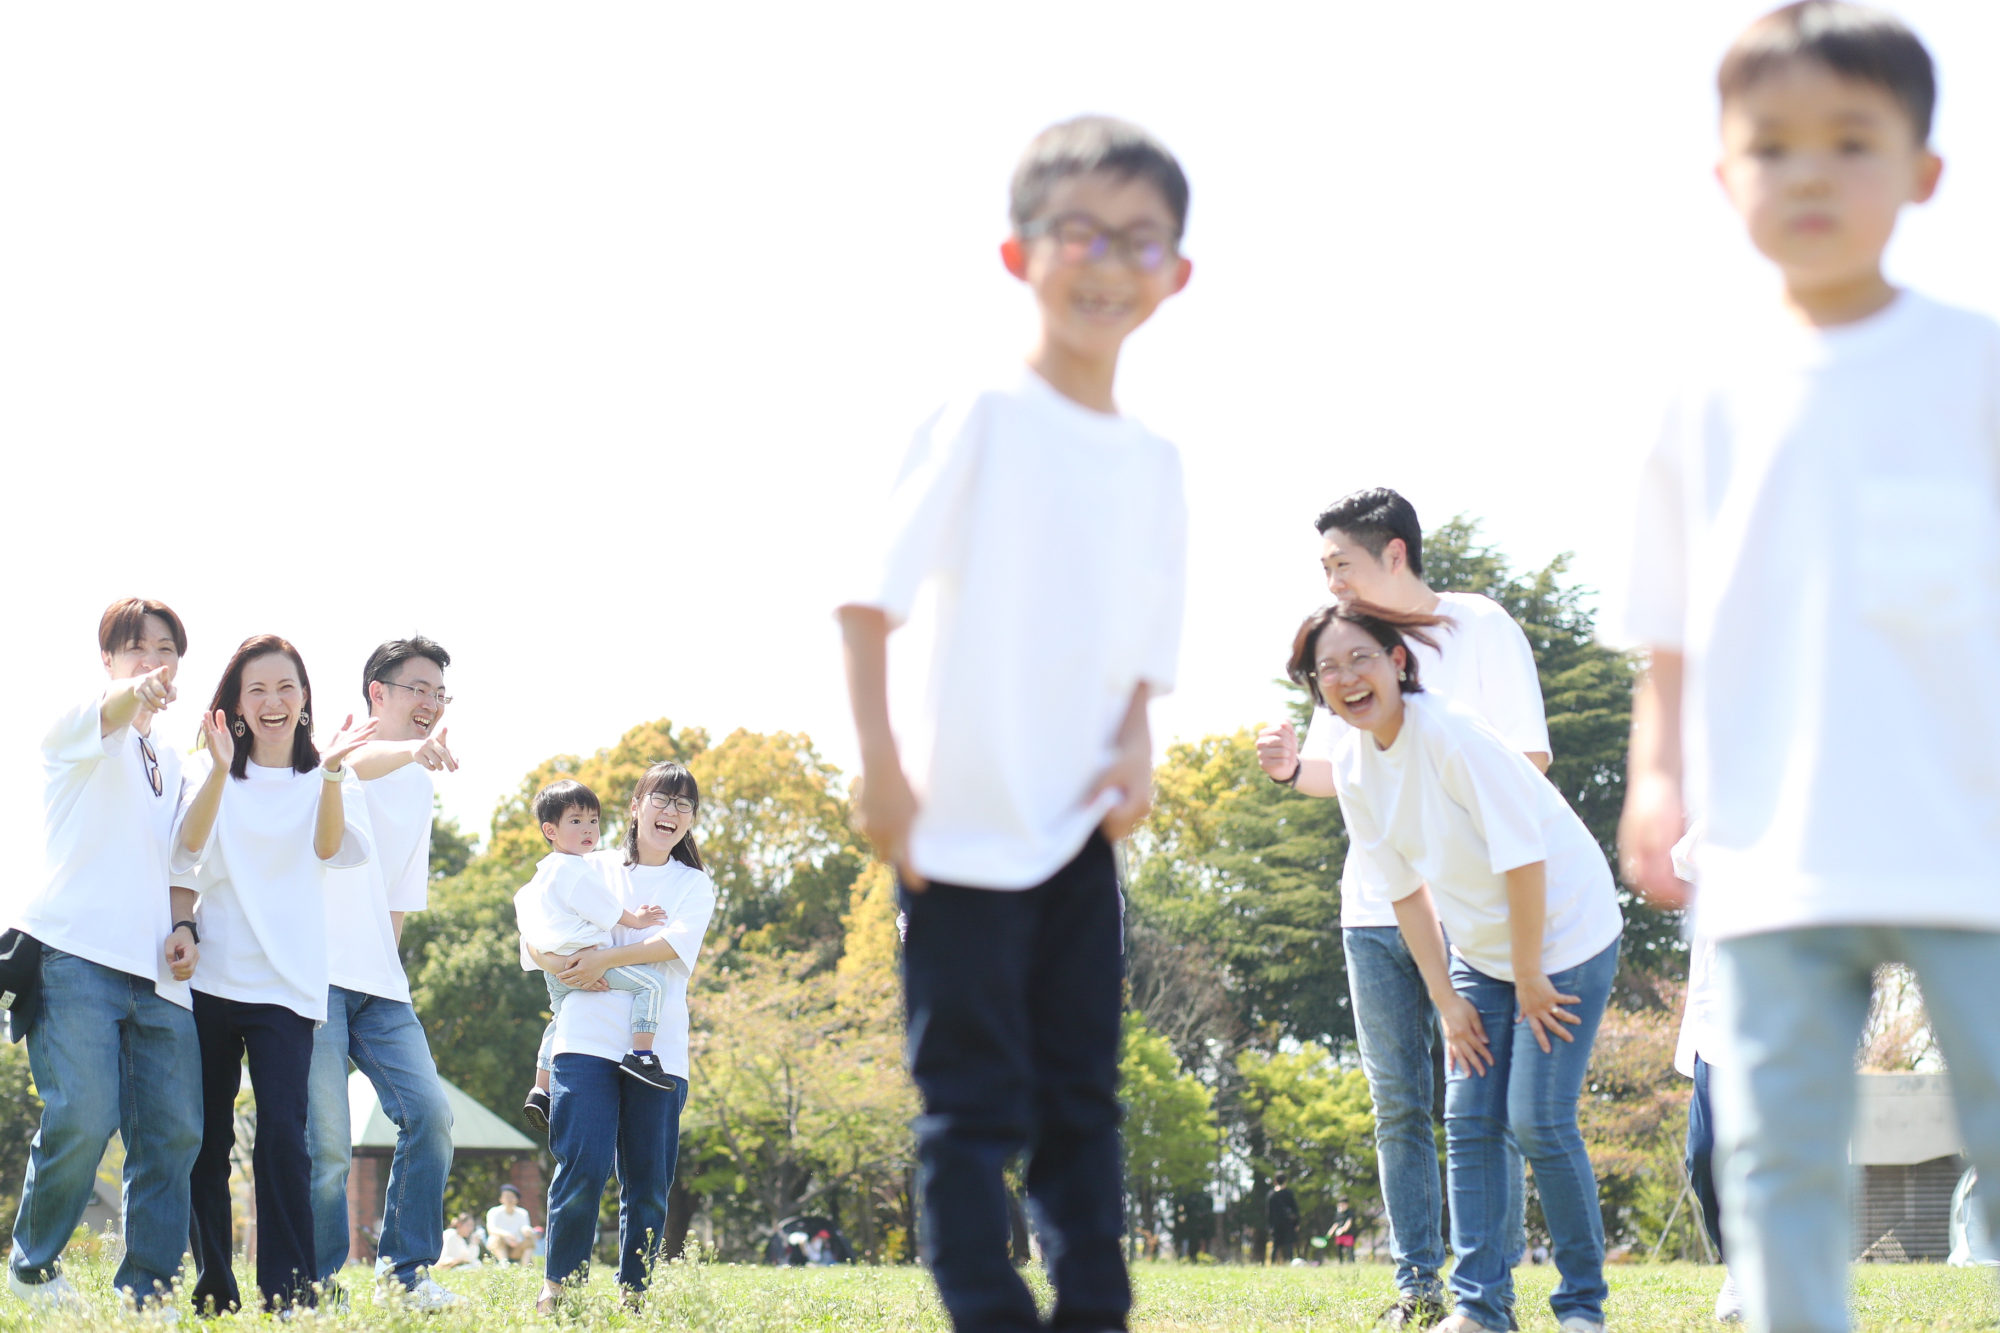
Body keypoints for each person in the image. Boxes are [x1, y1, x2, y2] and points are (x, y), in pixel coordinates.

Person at [1616, 6, 2000, 1330]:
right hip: (1772, 849)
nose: (1812, 173)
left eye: (1853, 141)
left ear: (1924, 173)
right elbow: (1666, 624)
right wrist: (1654, 781)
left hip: (1969, 839)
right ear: (1726, 177)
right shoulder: (1702, 392)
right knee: (1772, 1157)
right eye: (1773, 146)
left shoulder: (1976, 367)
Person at [837, 114, 1191, 1333]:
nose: (1106, 262)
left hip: (1074, 834)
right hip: (956, 832)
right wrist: (881, 770)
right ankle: (988, 1313)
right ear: (1018, 253)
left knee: (1082, 1102)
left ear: (1176, 276)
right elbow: (864, 596)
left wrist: (1135, 743)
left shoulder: (1154, 462)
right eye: (1078, 231)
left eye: (1140, 241)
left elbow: (1146, 652)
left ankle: (1095, 1311)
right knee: (970, 1108)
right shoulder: (980, 413)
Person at [1255, 487, 1550, 1329]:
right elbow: (1333, 771)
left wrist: (1467, 858)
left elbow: (1528, 760)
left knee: (1475, 1102)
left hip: (1466, 905)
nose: (1332, 585)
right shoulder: (1347, 648)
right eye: (1325, 572)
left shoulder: (1481, 628)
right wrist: (1285, 767)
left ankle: (1482, 1288)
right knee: (1397, 1103)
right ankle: (1418, 1283)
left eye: (1340, 564)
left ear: (1392, 553)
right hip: (1372, 906)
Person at [1291, 603, 1622, 1333]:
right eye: (1328, 670)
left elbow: (1525, 857)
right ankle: (1481, 1309)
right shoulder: (1352, 766)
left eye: (1361, 658)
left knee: (1537, 1117)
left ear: (1398, 661)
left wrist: (1532, 975)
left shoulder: (1449, 736)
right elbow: (1404, 890)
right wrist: (1447, 998)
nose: (1346, 678)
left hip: (1564, 932)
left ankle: (1581, 1309)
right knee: (1470, 1118)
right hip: (1483, 950)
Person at [8, 599, 203, 1315]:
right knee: (83, 1116)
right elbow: (115, 707)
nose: (154, 661)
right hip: (72, 956)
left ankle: (147, 1288)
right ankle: (31, 1270)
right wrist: (132, 693)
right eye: (137, 649)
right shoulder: (77, 722)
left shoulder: (173, 758)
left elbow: (177, 860)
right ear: (109, 661)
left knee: (173, 1130)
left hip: (157, 971)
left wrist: (187, 926)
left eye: (166, 649)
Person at [173, 634, 375, 1314]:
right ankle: (213, 1287)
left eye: (285, 686)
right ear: (234, 704)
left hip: (287, 989)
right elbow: (188, 846)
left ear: (306, 699)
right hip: (212, 982)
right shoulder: (214, 775)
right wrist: (217, 769)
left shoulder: (324, 780)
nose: (272, 701)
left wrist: (336, 775)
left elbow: (324, 846)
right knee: (207, 1137)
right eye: (256, 689)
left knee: (285, 1139)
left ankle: (288, 1290)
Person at [306, 636, 460, 1310]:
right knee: (329, 1143)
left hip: (381, 988)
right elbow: (360, 765)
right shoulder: (336, 752)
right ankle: (309, 1280)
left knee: (430, 1114)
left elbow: (400, 895)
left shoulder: (420, 784)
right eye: (418, 689)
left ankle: (404, 1274)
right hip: (313, 977)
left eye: (439, 694)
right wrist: (412, 749)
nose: (429, 704)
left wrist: (392, 977)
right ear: (378, 692)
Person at [528, 763, 715, 1315]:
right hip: (584, 1038)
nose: (671, 813)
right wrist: (555, 963)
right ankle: (558, 1287)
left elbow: (673, 949)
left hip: (657, 1050)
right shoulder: (590, 863)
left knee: (648, 1183)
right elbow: (534, 913)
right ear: (635, 805)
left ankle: (634, 1293)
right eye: (661, 800)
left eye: (684, 806)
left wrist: (608, 955)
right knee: (580, 1164)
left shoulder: (693, 884)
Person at [515, 778, 674, 1126]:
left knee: (559, 1021)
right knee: (652, 986)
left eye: (593, 821)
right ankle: (643, 1055)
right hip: (587, 960)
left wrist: (549, 961)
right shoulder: (574, 869)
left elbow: (524, 914)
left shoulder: (542, 873)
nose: (588, 830)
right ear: (550, 829)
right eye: (576, 821)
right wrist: (638, 919)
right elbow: (606, 908)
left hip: (555, 970)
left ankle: (540, 1089)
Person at [1668, 827, 1739, 1322]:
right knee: (1703, 1153)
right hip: (1715, 1023)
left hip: (1782, 1015)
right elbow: (1679, 859)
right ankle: (1742, 1268)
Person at [485, 1184, 535, 1265]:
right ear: (501, 1199)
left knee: (530, 1240)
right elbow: (491, 1229)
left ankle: (525, 1267)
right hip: (498, 1246)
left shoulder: (523, 1213)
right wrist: (506, 1235)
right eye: (507, 1196)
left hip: (516, 1246)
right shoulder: (493, 1211)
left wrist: (527, 1231)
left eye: (512, 1196)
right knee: (496, 1238)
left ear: (517, 1199)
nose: (509, 1199)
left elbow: (525, 1228)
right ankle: (504, 1265)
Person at [1267, 1175, 1301, 1265]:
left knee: (1275, 1245)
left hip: (1275, 1224)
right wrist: (1297, 1223)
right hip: (1288, 1223)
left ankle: (1272, 1263)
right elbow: (1295, 1208)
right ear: (1285, 1181)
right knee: (1289, 1244)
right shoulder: (1288, 1193)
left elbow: (1269, 1212)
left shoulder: (1271, 1195)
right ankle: (1290, 1262)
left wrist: (1270, 1226)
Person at [1329, 1198, 1360, 1265]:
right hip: (1339, 1235)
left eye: (1343, 1204)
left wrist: (1342, 1229)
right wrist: (1331, 1231)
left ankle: (1351, 1262)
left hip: (1348, 1235)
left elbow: (1349, 1222)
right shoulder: (1338, 1214)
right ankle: (1341, 1262)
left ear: (1347, 1205)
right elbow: (1336, 1223)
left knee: (1349, 1250)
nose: (1341, 1206)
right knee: (1339, 1250)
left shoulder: (1349, 1213)